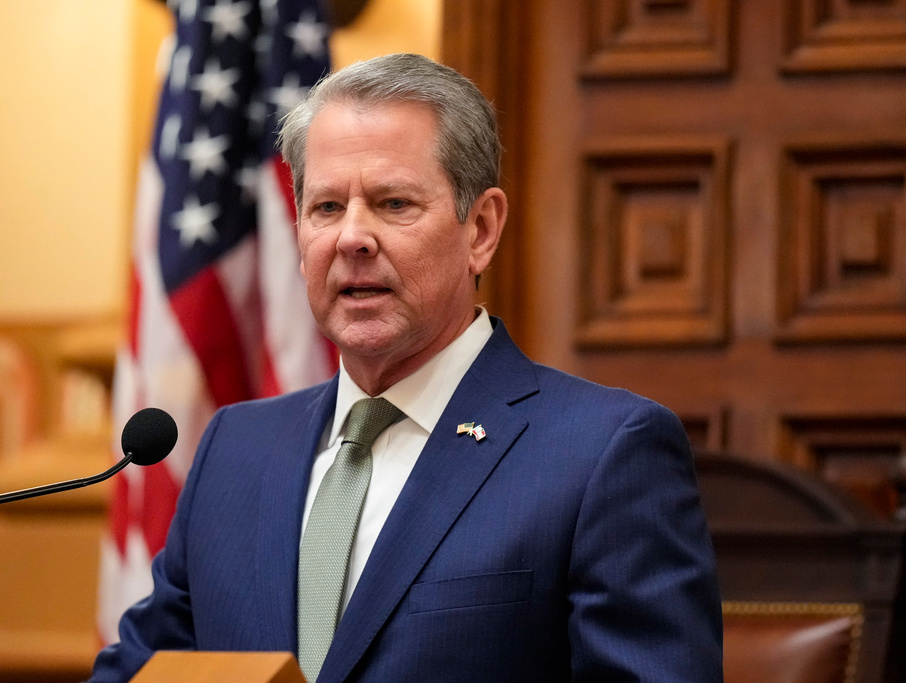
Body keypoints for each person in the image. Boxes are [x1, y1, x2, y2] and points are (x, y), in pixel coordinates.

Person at [90, 53, 723, 683]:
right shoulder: (235, 449)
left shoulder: (602, 454)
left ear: (480, 229)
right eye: (327, 207)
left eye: (393, 203)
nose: (352, 238)